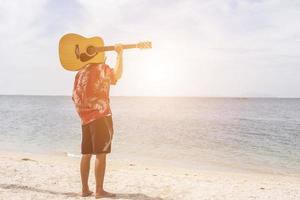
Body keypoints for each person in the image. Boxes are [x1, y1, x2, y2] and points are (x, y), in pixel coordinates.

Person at [72, 44, 123, 198]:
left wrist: (83, 113)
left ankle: (85, 189)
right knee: (101, 153)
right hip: (100, 116)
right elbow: (117, 75)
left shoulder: (80, 73)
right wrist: (120, 55)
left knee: (86, 153)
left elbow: (74, 96)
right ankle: (99, 191)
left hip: (85, 119)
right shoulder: (101, 68)